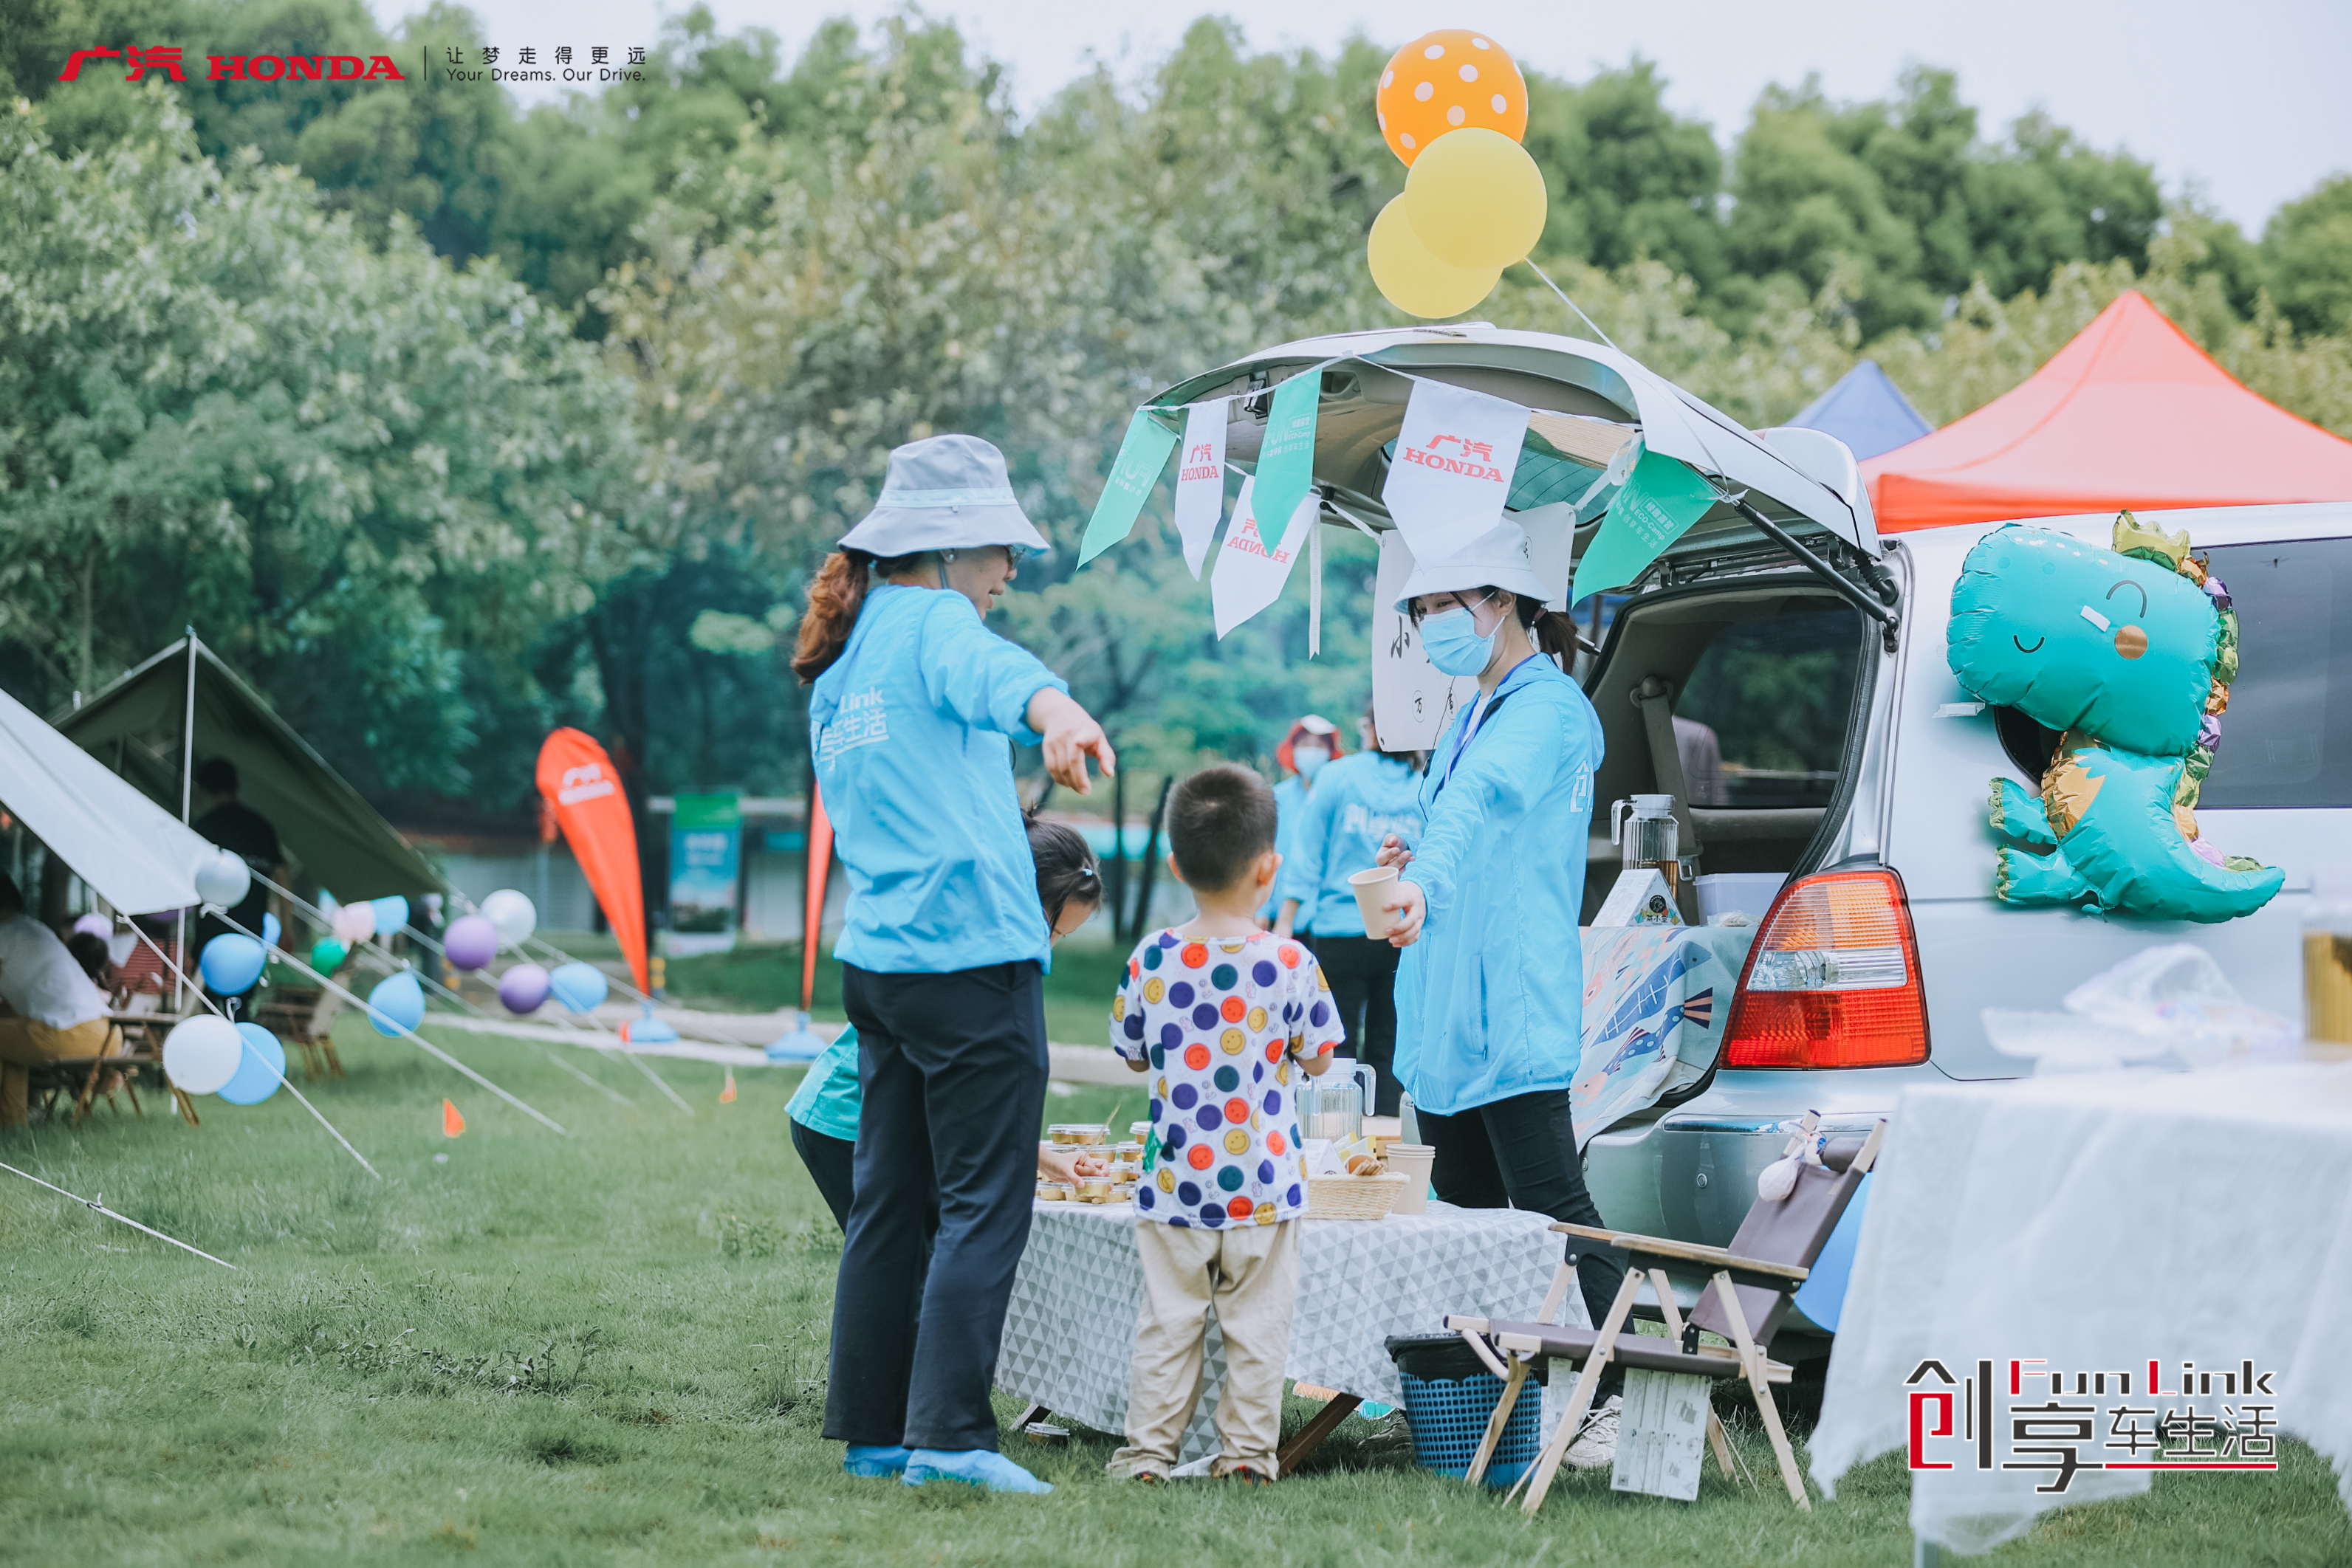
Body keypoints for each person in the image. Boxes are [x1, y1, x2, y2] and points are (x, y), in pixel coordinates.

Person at [793, 433, 1117, 1497]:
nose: (1013, 570)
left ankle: (877, 1433)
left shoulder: (842, 666)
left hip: (879, 965)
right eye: (1003, 550)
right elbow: (993, 674)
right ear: (947, 548)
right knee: (982, 1202)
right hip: (969, 958)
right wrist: (1058, 710)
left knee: (891, 1202)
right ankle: (950, 1441)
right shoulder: (936, 623)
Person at [1374, 517, 1631, 1468]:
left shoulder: (1547, 710)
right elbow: (1456, 819)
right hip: (1450, 1007)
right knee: (1462, 1215)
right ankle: (1467, 1406)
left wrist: (1423, 882)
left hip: (1507, 1003)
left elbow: (1480, 803)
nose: (1434, 620)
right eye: (1423, 607)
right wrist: (1414, 855)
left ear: (1505, 603)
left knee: (1552, 1206)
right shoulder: (1474, 706)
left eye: (1447, 603)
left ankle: (1617, 1397)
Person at [1106, 764, 1343, 1485]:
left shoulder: (1151, 957)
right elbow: (1323, 1058)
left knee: (1167, 1326)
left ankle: (1147, 1455)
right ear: (1269, 868)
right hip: (1263, 1188)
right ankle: (1245, 1456)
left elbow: (1128, 1054)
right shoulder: (1291, 962)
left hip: (1175, 1183)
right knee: (1257, 1331)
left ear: (1176, 864)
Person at [787, 811, 1107, 1231]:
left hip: (887, 1123)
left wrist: (1041, 1157)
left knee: (916, 1263)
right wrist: (1037, 1157)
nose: (1048, 947)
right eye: (1049, 929)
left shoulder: (993, 958)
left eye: (1060, 937)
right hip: (845, 1120)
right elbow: (964, 1093)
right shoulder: (968, 959)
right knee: (902, 1261)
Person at [1272, 701, 1424, 1115]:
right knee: (1389, 1044)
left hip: (1339, 932)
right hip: (1401, 932)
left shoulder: (1337, 777)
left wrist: (1285, 919)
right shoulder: (1427, 783)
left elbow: (1308, 857)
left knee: (1334, 1044)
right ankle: (1385, 1141)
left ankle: (1335, 1142)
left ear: (1371, 729)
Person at [0, 874, 117, 1126]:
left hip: (70, 1034)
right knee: (10, 1039)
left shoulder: (5, 933)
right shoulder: (34, 928)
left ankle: (12, 1118)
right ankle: (12, 1121)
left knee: (9, 1036)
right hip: (107, 1034)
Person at [191, 758, 281, 1001]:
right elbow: (283, 873)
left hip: (211, 932)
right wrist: (288, 926)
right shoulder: (261, 827)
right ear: (236, 785)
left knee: (206, 1003)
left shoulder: (205, 827)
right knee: (242, 1003)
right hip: (251, 930)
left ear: (203, 788)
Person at [1260, 715, 1340, 926]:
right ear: (1293, 749)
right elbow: (1264, 852)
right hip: (1279, 916)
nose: (1312, 751)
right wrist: (1262, 908)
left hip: (1325, 919)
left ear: (1331, 752)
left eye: (1319, 745)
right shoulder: (1277, 797)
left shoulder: (1341, 799)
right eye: (1305, 744)